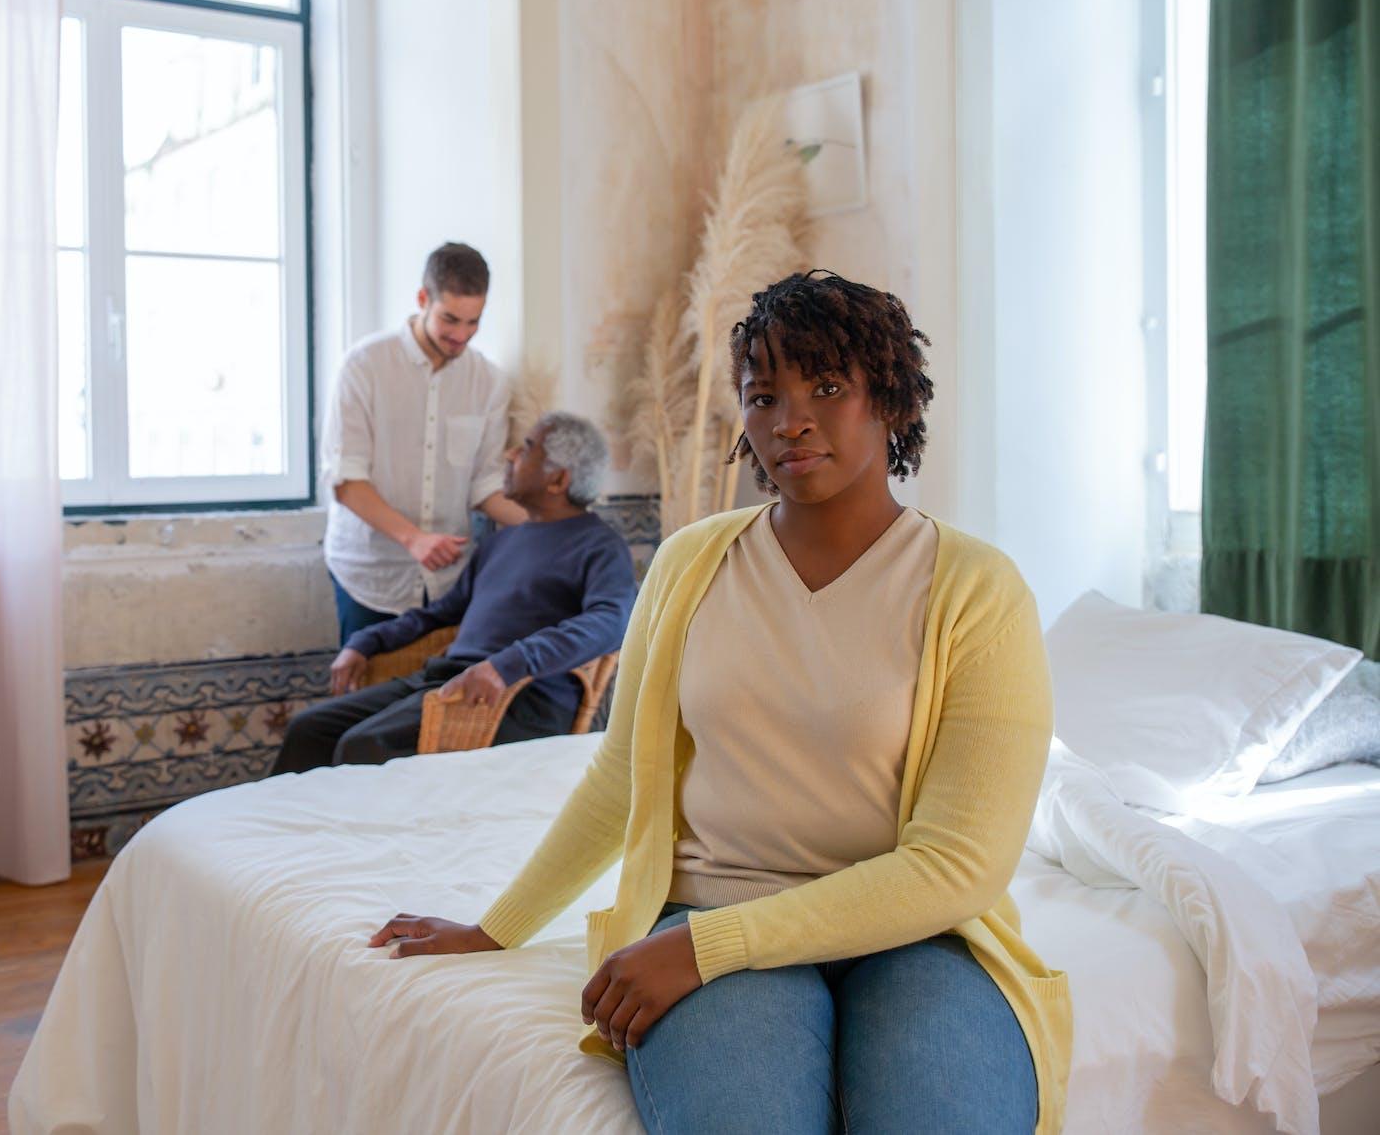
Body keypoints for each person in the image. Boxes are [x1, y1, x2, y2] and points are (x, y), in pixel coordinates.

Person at [367, 272, 1072, 1135]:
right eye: (763, 394)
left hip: (914, 938)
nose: (790, 420)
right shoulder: (690, 564)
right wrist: (498, 927)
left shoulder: (978, 590)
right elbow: (624, 772)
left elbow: (959, 864)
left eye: (826, 386)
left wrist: (704, 950)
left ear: (888, 397)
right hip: (714, 905)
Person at [272, 412, 636, 772]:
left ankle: (346, 832)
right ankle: (284, 831)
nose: (510, 455)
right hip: (450, 680)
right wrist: (365, 641)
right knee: (311, 729)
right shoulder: (503, 541)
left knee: (364, 746)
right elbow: (442, 614)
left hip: (520, 698)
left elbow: (612, 620)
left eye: (526, 448)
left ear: (558, 480)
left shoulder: (600, 546)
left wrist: (507, 665)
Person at [321, 242, 529, 646]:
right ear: (422, 299)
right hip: (370, 573)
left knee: (435, 704)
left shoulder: (489, 382)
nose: (461, 335)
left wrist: (556, 522)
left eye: (474, 322)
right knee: (364, 699)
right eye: (450, 320)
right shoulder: (364, 367)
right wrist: (414, 539)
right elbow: (346, 480)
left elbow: (485, 485)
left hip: (449, 582)